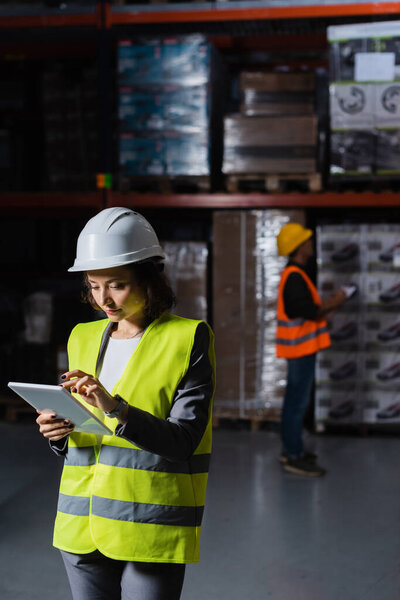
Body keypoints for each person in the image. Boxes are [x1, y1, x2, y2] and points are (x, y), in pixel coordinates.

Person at [36, 207, 216, 600]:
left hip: (149, 524)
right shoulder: (82, 336)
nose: (104, 299)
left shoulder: (188, 339)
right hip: (80, 525)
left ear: (150, 279)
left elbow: (183, 441)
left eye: (116, 285)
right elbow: (84, 433)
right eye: (94, 285)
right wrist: (58, 434)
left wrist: (116, 408)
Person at [276, 223, 349, 477]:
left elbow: (306, 312)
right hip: (300, 350)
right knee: (297, 404)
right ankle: (293, 456)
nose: (310, 244)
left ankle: (291, 450)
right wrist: (336, 301)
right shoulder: (295, 276)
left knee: (294, 402)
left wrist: (327, 309)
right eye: (306, 241)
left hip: (301, 349)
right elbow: (305, 311)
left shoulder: (296, 274)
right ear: (298, 248)